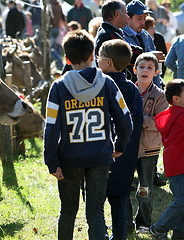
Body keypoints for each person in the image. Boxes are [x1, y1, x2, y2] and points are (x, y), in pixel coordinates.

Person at [44, 29, 132, 240]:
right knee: (95, 212)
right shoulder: (108, 83)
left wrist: (51, 160)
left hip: (69, 159)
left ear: (66, 58)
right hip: (100, 156)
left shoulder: (58, 87)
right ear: (93, 55)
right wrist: (120, 145)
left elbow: (51, 127)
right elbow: (125, 119)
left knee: (67, 211)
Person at [98, 39, 143, 240]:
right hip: (125, 153)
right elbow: (137, 123)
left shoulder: (97, 87)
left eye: (99, 58)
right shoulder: (133, 90)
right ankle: (119, 236)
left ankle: (100, 233)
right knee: (120, 201)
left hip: (99, 154)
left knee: (96, 202)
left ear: (107, 63)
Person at [132, 52, 169, 232]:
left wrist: (140, 119)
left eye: (149, 68)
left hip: (149, 148)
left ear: (156, 72)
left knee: (145, 186)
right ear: (134, 69)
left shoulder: (160, 96)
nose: (145, 70)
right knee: (123, 184)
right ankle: (125, 221)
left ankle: (143, 222)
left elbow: (161, 122)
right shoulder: (128, 91)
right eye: (142, 67)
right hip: (129, 145)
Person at [149, 78, 184, 240]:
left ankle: (179, 234)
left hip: (175, 166)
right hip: (180, 166)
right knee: (182, 202)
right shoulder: (181, 116)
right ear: (177, 99)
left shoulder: (173, 115)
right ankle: (159, 228)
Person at [122, 0, 165, 89]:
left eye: (144, 18)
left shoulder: (146, 35)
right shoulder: (121, 36)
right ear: (128, 18)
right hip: (131, 87)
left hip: (149, 91)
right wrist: (150, 56)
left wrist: (157, 90)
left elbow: (155, 68)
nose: (143, 22)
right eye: (139, 18)